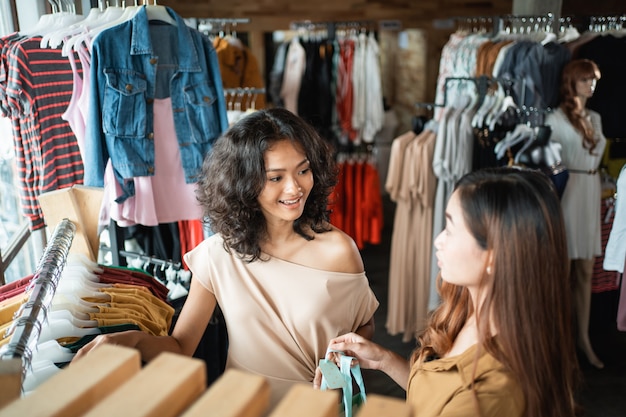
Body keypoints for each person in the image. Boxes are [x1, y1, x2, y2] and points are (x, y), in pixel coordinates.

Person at [73, 108, 379, 406]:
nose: (295, 187)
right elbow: (181, 346)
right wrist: (128, 340)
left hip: (314, 407)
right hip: (239, 404)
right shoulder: (218, 254)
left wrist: (345, 358)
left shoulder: (339, 252)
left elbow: (365, 325)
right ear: (246, 183)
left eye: (303, 170)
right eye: (275, 178)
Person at [315, 168, 580, 417]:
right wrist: (384, 360)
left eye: (451, 229)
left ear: (494, 256)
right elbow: (440, 396)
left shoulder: (488, 397)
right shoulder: (471, 309)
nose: (438, 240)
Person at [545, 58, 606, 369]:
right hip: (568, 194)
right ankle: (561, 344)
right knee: (564, 274)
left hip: (592, 191)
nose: (590, 84)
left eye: (593, 79)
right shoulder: (555, 119)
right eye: (584, 79)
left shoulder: (595, 118)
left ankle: (584, 340)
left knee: (585, 272)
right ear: (572, 82)